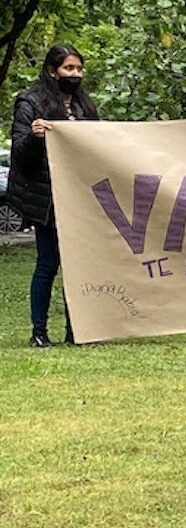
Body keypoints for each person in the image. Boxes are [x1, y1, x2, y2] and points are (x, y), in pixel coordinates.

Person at [7, 44, 99, 348]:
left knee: (79, 264)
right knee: (48, 262)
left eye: (78, 69)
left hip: (78, 197)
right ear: (51, 70)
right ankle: (39, 331)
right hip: (45, 198)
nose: (75, 74)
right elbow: (20, 156)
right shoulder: (30, 103)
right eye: (68, 69)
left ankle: (78, 330)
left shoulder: (85, 107)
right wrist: (34, 138)